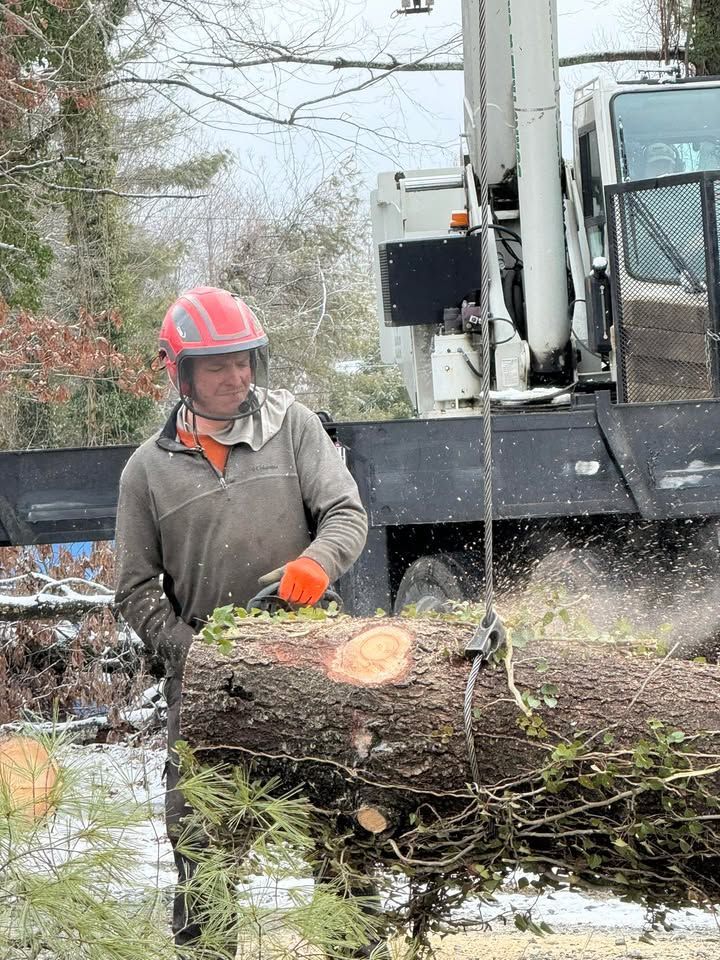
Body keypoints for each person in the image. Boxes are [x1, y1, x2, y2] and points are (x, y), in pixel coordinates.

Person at [113, 285, 368, 958]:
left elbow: (346, 515)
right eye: (219, 365)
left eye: (246, 361)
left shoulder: (296, 428)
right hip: (204, 682)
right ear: (181, 371)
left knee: (343, 835)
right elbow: (136, 587)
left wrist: (317, 563)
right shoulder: (145, 472)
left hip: (308, 661)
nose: (238, 377)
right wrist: (190, 654)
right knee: (201, 849)